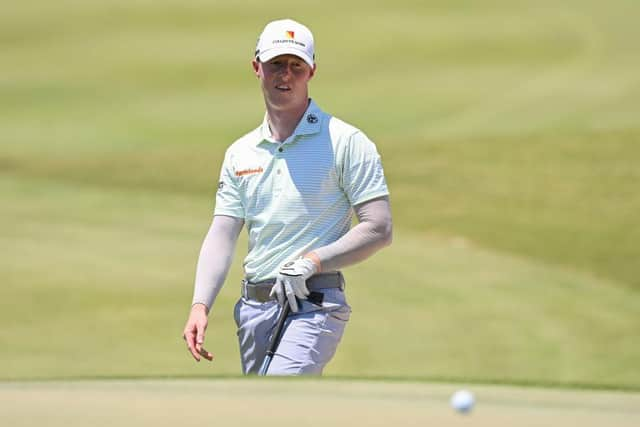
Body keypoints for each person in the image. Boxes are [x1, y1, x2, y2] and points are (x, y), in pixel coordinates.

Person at [182, 18, 393, 375]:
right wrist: (200, 304)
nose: (286, 75)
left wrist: (312, 261)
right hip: (253, 309)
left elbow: (378, 228)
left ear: (311, 71)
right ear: (256, 67)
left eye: (296, 66)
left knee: (281, 398)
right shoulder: (241, 152)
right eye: (276, 64)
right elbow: (222, 234)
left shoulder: (345, 141)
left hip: (314, 302)